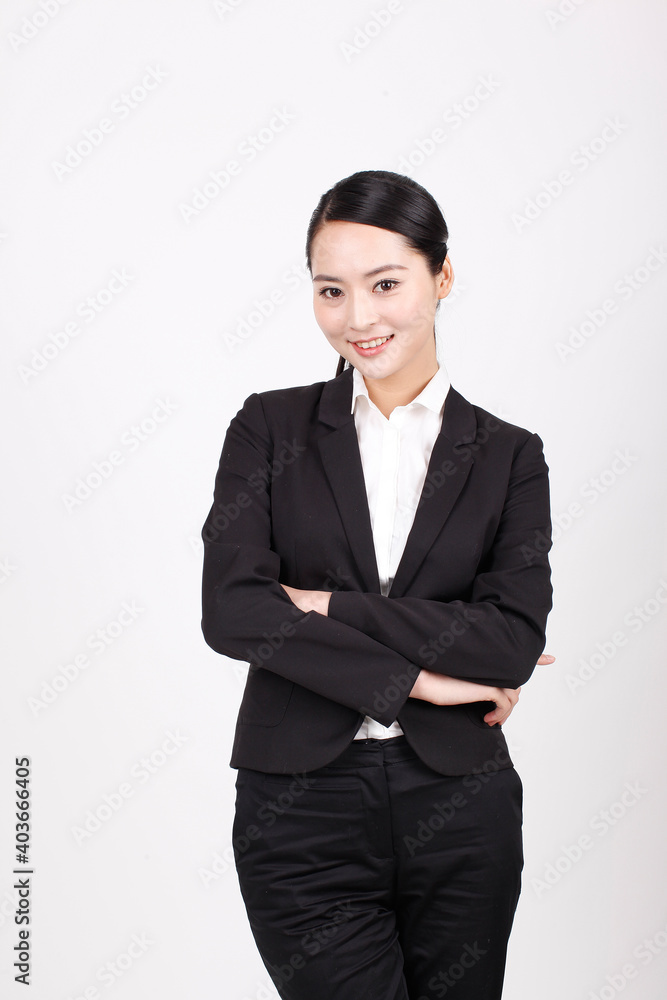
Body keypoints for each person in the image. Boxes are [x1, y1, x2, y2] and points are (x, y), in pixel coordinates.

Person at [201, 169, 554, 1000]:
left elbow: (511, 639)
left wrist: (324, 606)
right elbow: (232, 610)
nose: (357, 318)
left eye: (384, 284)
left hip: (459, 805)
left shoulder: (509, 455)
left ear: (442, 277)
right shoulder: (268, 427)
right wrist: (421, 682)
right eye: (331, 290)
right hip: (300, 811)